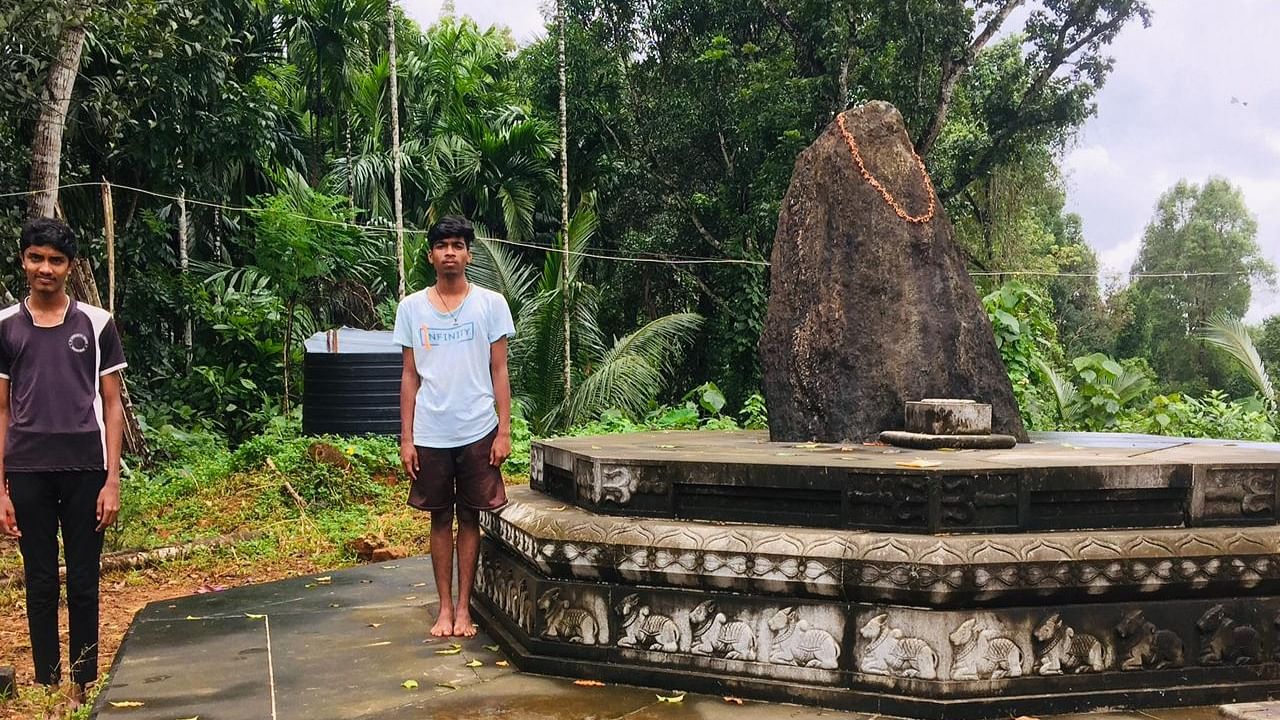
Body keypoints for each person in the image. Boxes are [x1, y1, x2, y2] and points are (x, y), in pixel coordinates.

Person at [0, 217, 127, 708]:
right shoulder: (6, 327)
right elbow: (3, 408)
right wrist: (2, 488)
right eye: (36, 258)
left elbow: (112, 402)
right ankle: (50, 684)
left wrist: (112, 479)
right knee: (38, 580)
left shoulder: (96, 323)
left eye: (55, 260)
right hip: (28, 469)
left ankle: (82, 681)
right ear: (23, 261)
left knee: (83, 580)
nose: (45, 268)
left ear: (70, 268)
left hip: (85, 470)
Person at [394, 215, 514, 638]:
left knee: (471, 515)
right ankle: (443, 608)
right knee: (439, 517)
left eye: (458, 246)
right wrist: (406, 438)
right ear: (431, 255)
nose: (450, 253)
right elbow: (409, 375)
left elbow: (499, 370)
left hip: (479, 428)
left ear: (469, 254)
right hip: (430, 431)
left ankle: (465, 609)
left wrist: (504, 430)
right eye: (442, 245)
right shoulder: (411, 308)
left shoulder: (491, 303)